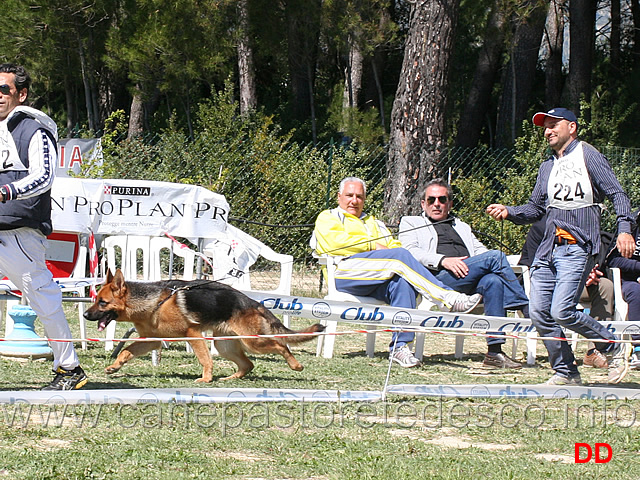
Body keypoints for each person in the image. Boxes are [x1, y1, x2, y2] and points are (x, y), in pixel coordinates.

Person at [486, 107, 634, 385]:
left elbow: (617, 193)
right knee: (540, 313)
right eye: (545, 126)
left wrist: (625, 229)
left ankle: (614, 347)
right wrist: (509, 211)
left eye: (554, 124)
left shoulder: (588, 155)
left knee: (561, 311)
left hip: (577, 247)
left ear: (572, 127)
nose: (548, 131)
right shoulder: (547, 167)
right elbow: (534, 209)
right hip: (547, 250)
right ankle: (566, 371)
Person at [311, 177, 482, 368]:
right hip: (344, 273)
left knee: (403, 283)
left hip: (376, 278)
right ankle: (447, 299)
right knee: (399, 256)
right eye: (349, 195)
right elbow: (335, 243)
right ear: (339, 197)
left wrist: (383, 249)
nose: (354, 200)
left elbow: (394, 245)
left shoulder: (373, 222)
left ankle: (400, 347)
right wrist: (373, 245)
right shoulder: (328, 217)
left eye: (359, 196)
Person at [0, 63, 87, 390]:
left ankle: (69, 369)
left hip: (19, 232)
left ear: (21, 94)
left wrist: (7, 191)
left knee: (43, 299)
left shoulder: (34, 130)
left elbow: (44, 177)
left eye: (4, 90)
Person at [399, 178, 528, 369]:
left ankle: (494, 352)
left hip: (469, 276)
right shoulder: (411, 222)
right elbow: (409, 252)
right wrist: (443, 260)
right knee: (496, 257)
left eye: (442, 200)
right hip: (438, 280)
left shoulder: (461, 225)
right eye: (431, 200)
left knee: (493, 281)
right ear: (423, 203)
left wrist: (491, 261)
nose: (437, 204)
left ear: (449, 204)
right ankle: (525, 308)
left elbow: (480, 250)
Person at [520, 216, 615, 369]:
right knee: (558, 310)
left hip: (579, 280)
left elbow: (595, 257)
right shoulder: (541, 227)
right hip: (550, 282)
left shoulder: (588, 226)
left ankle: (596, 350)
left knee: (605, 286)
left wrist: (589, 272)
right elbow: (535, 264)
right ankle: (565, 359)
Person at [607, 209, 640, 370]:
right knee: (636, 292)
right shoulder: (630, 226)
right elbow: (612, 260)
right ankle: (638, 349)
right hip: (628, 280)